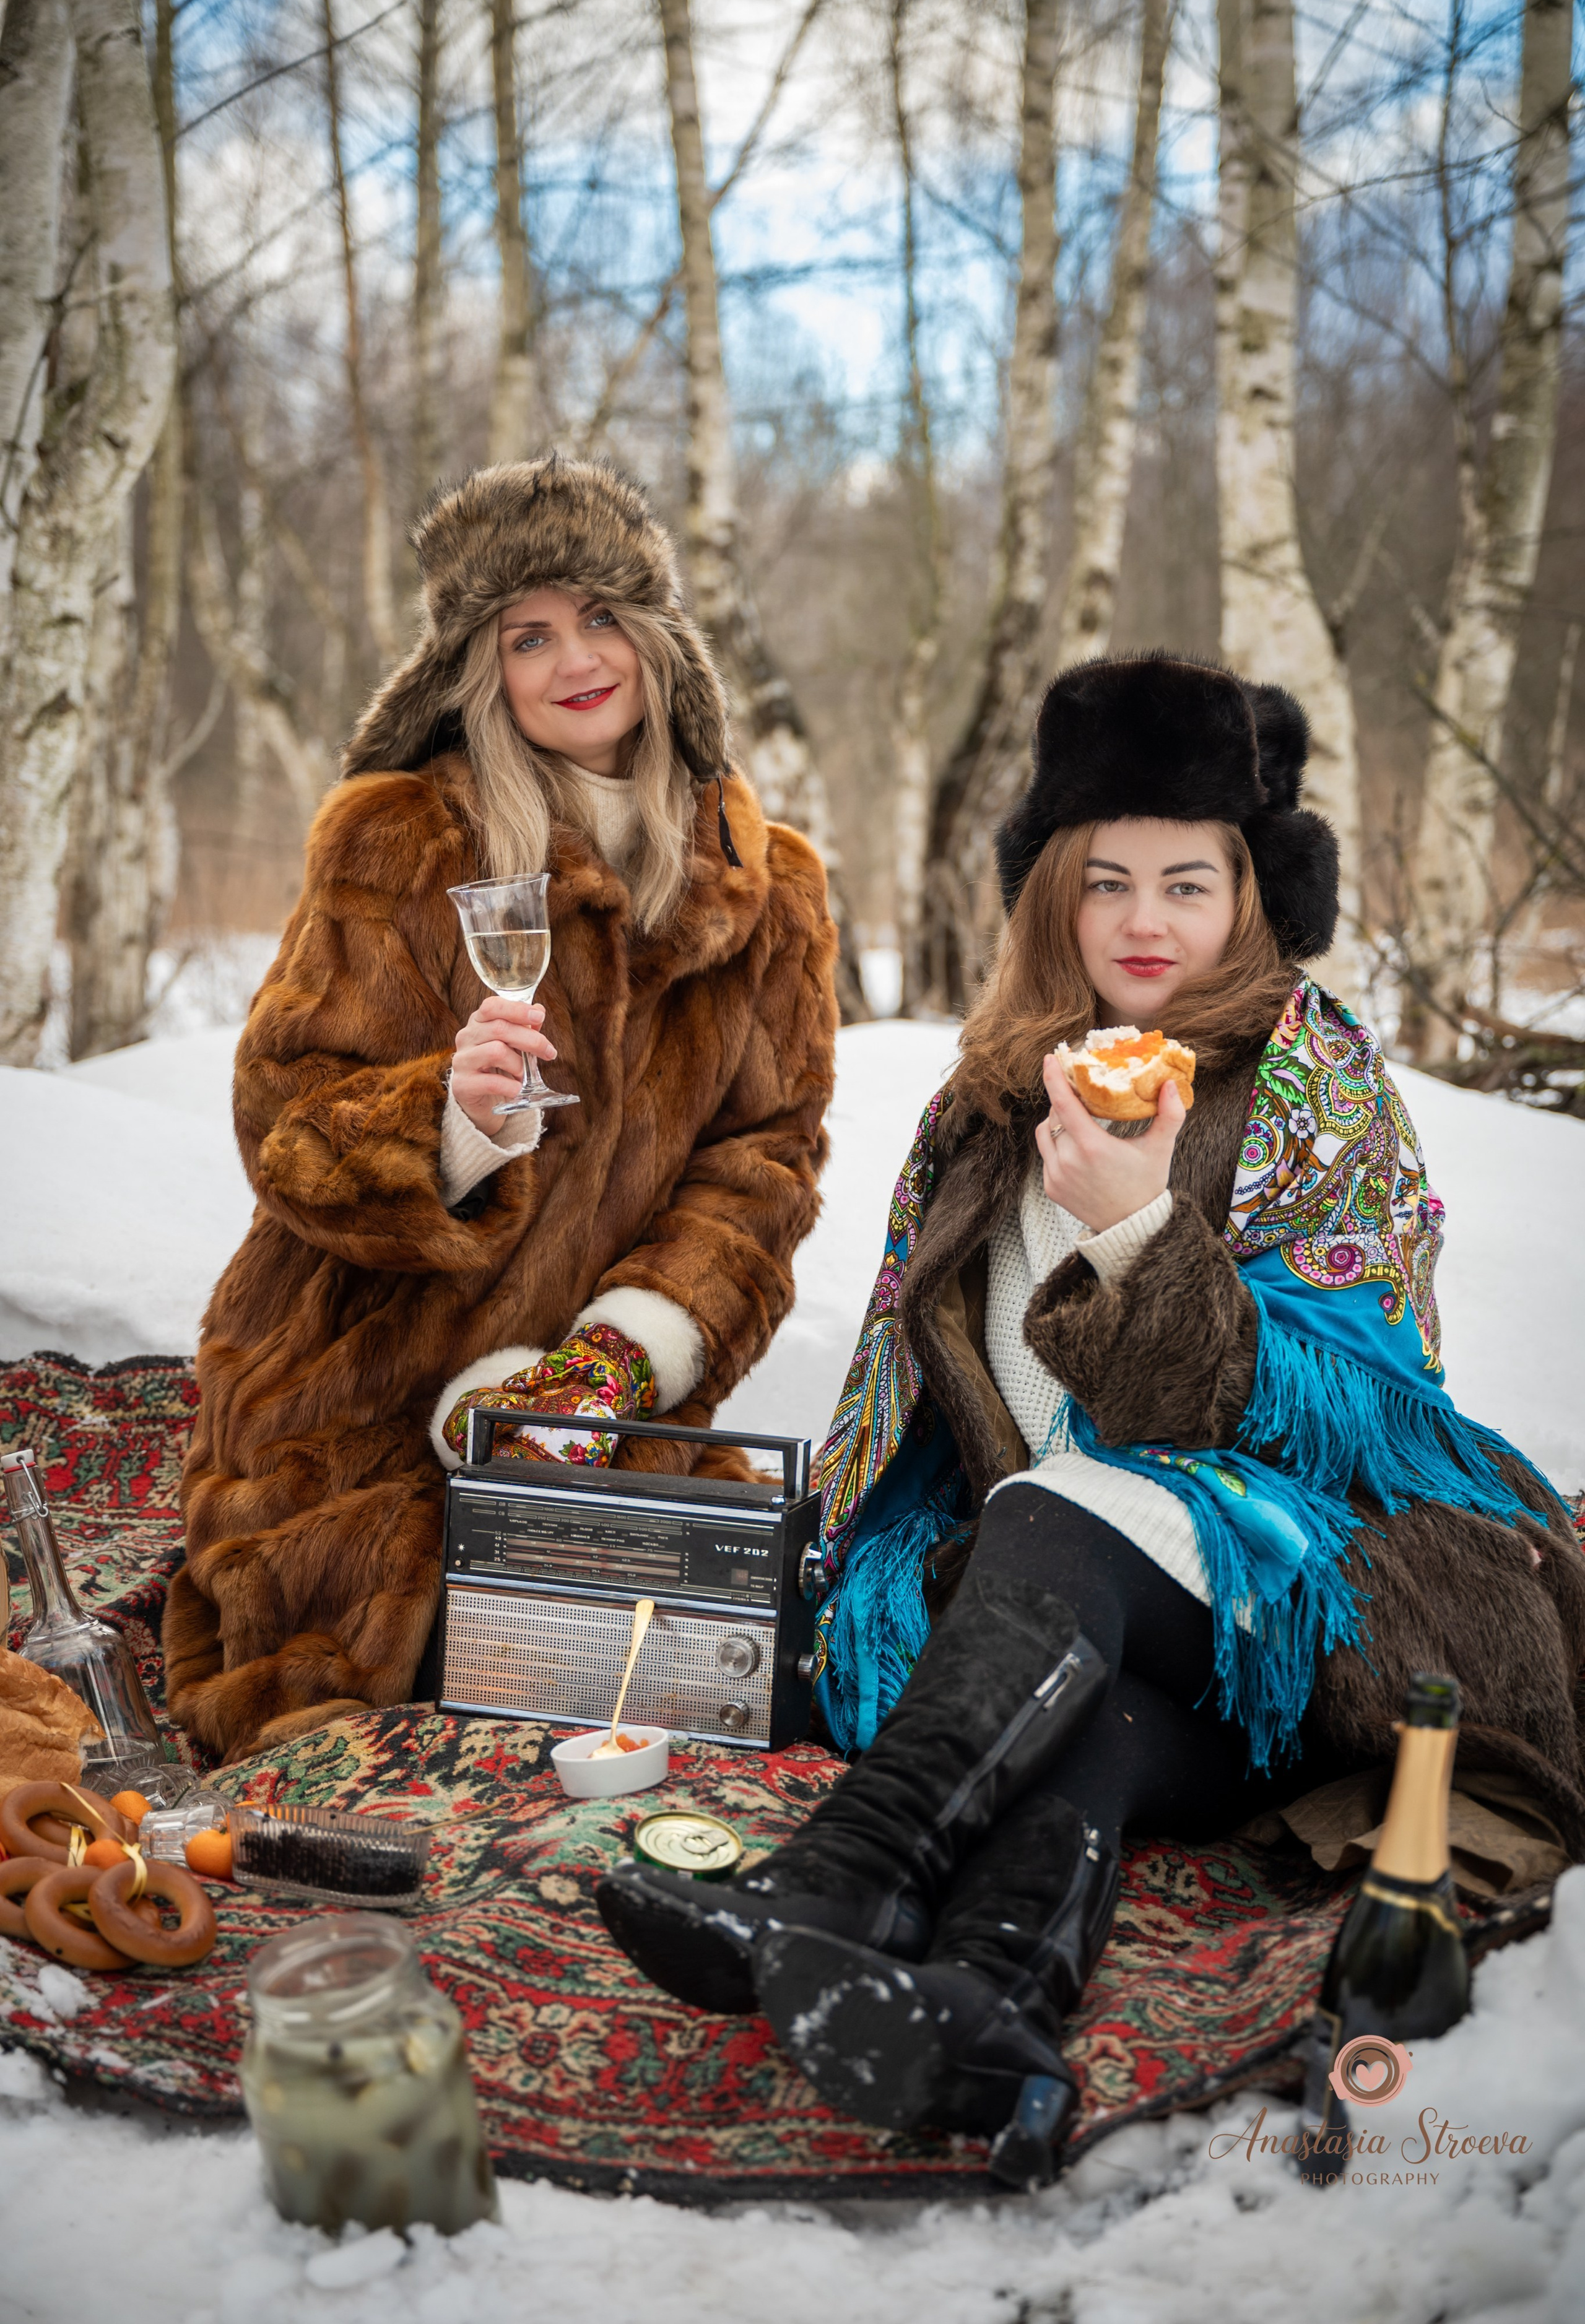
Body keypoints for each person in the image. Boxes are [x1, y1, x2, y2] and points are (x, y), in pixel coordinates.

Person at [597, 651, 1585, 2187]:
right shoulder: (983, 1105)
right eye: (1105, 879)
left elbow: (1346, 1427)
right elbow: (906, 1403)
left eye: (1186, 882)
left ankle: (838, 1877)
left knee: (1061, 1503)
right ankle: (993, 2010)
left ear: (1246, 894)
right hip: (1097, 1648)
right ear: (1053, 893)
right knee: (1093, 1723)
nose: (1143, 921)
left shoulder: (1317, 1086)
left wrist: (1137, 1231)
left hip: (1309, 1613)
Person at [166, 456, 839, 1763]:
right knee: (421, 1678)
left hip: (607, 1409)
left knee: (748, 1676)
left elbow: (765, 1162)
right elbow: (284, 1118)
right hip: (366, 1394)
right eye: (526, 635)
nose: (574, 659)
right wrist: (446, 1125)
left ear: (658, 639)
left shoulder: (769, 891)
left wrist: (614, 1360)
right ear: (481, 669)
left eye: (600, 616)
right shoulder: (402, 837)